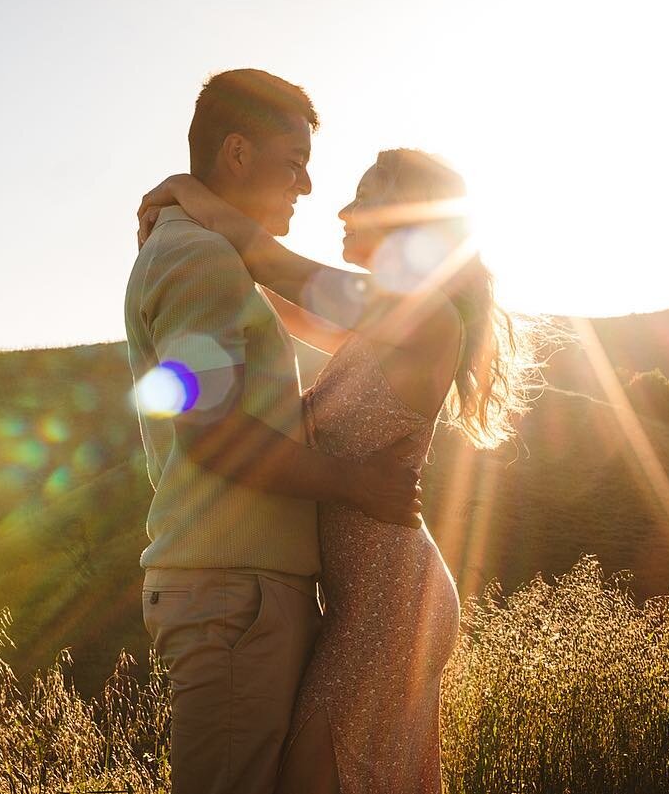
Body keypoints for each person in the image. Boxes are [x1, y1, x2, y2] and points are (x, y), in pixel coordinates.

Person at [137, 147, 537, 793]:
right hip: (368, 597)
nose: (343, 210)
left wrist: (188, 189)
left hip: (389, 599)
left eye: (363, 195)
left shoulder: (423, 316)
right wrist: (197, 232)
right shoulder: (379, 326)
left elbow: (276, 266)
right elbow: (275, 293)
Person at [123, 69, 425, 794]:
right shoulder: (198, 257)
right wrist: (358, 483)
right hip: (233, 597)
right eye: (294, 163)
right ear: (236, 152)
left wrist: (199, 203)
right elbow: (214, 434)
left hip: (247, 594)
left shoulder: (214, 254)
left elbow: (342, 309)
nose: (309, 187)